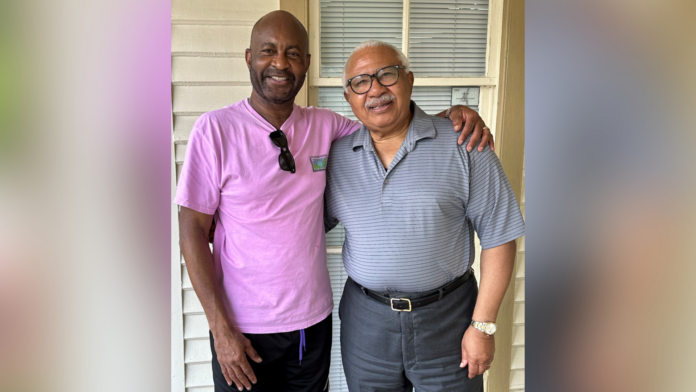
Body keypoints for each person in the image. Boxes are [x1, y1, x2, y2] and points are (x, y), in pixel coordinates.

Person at [174, 11, 492, 392]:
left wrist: (450, 120)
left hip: (311, 321)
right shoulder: (214, 131)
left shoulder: (326, 126)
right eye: (268, 51)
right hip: (241, 327)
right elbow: (192, 229)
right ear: (248, 58)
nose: (280, 63)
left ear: (306, 64)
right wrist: (219, 328)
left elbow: (387, 125)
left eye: (292, 53)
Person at [324, 40, 525, 392]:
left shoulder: (465, 144)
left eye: (387, 74)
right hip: (366, 324)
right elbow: (296, 220)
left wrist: (483, 326)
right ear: (349, 98)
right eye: (361, 82)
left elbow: (499, 236)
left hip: (448, 320)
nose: (375, 90)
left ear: (409, 80)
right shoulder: (336, 158)